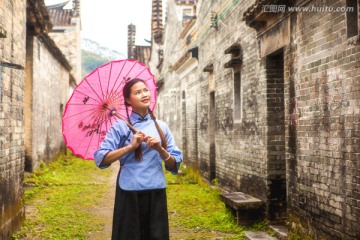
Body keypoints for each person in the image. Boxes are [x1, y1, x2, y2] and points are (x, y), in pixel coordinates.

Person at [94, 78, 182, 240]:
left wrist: (160, 149)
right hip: (130, 191)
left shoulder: (161, 127)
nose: (144, 94)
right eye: (138, 92)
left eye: (145, 90)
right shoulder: (121, 127)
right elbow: (101, 158)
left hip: (156, 190)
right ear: (128, 100)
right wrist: (130, 147)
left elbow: (174, 164)